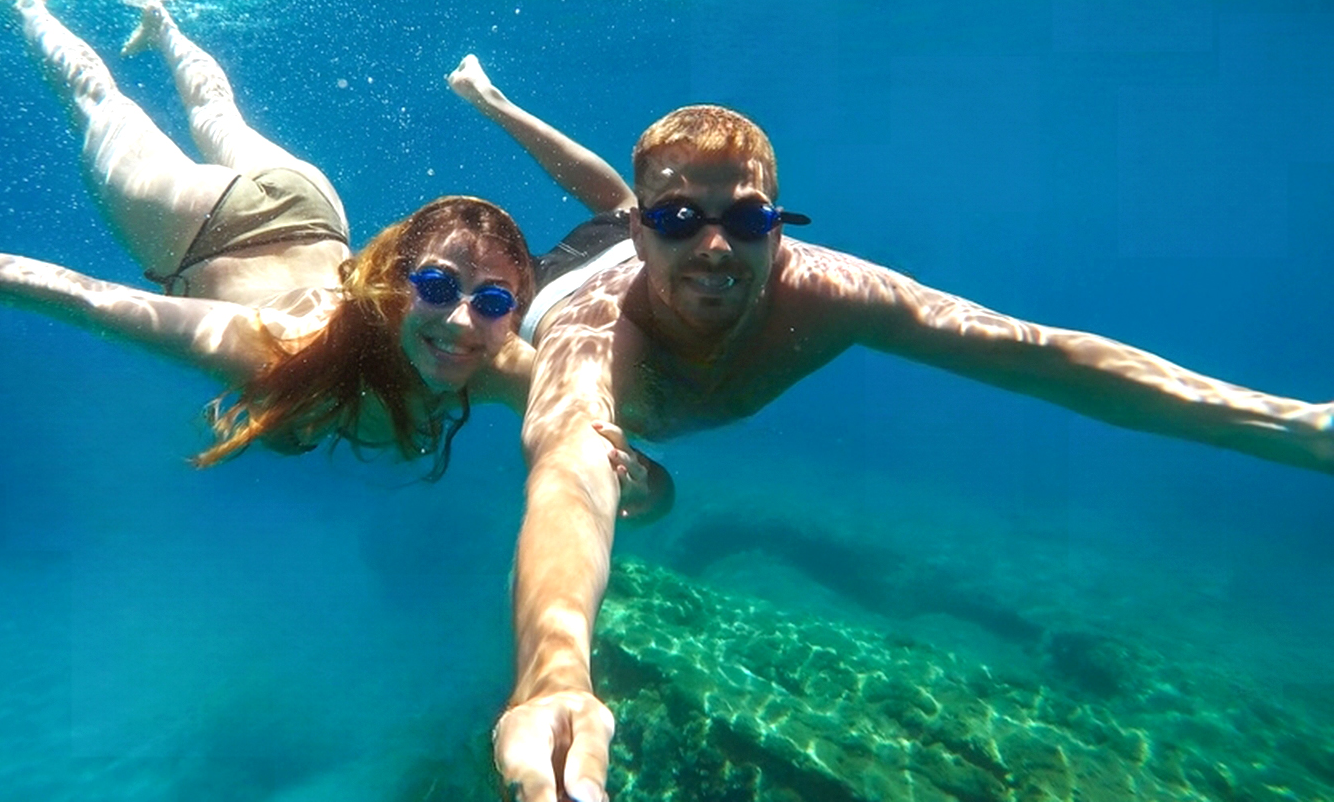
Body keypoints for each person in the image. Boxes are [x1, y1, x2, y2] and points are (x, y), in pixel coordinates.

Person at [449, 61, 1334, 802]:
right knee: (565, 253)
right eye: (679, 220)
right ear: (649, 238)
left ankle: (497, 102)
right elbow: (567, 469)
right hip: (570, 280)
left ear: (777, 230)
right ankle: (504, 113)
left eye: (747, 219)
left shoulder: (829, 292)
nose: (716, 248)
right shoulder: (590, 338)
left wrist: (1294, 426)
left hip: (628, 242)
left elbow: (1040, 354)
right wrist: (553, 677)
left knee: (615, 197)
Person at [0, 0, 647, 480]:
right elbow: (80, 296)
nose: (460, 322)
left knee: (218, 111)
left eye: (491, 302)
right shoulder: (267, 342)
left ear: (511, 310)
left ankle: (163, 21)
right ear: (394, 283)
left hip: (312, 208)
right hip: (204, 233)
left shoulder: (493, 357)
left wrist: (624, 470)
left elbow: (590, 430)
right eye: (440, 288)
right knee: (98, 102)